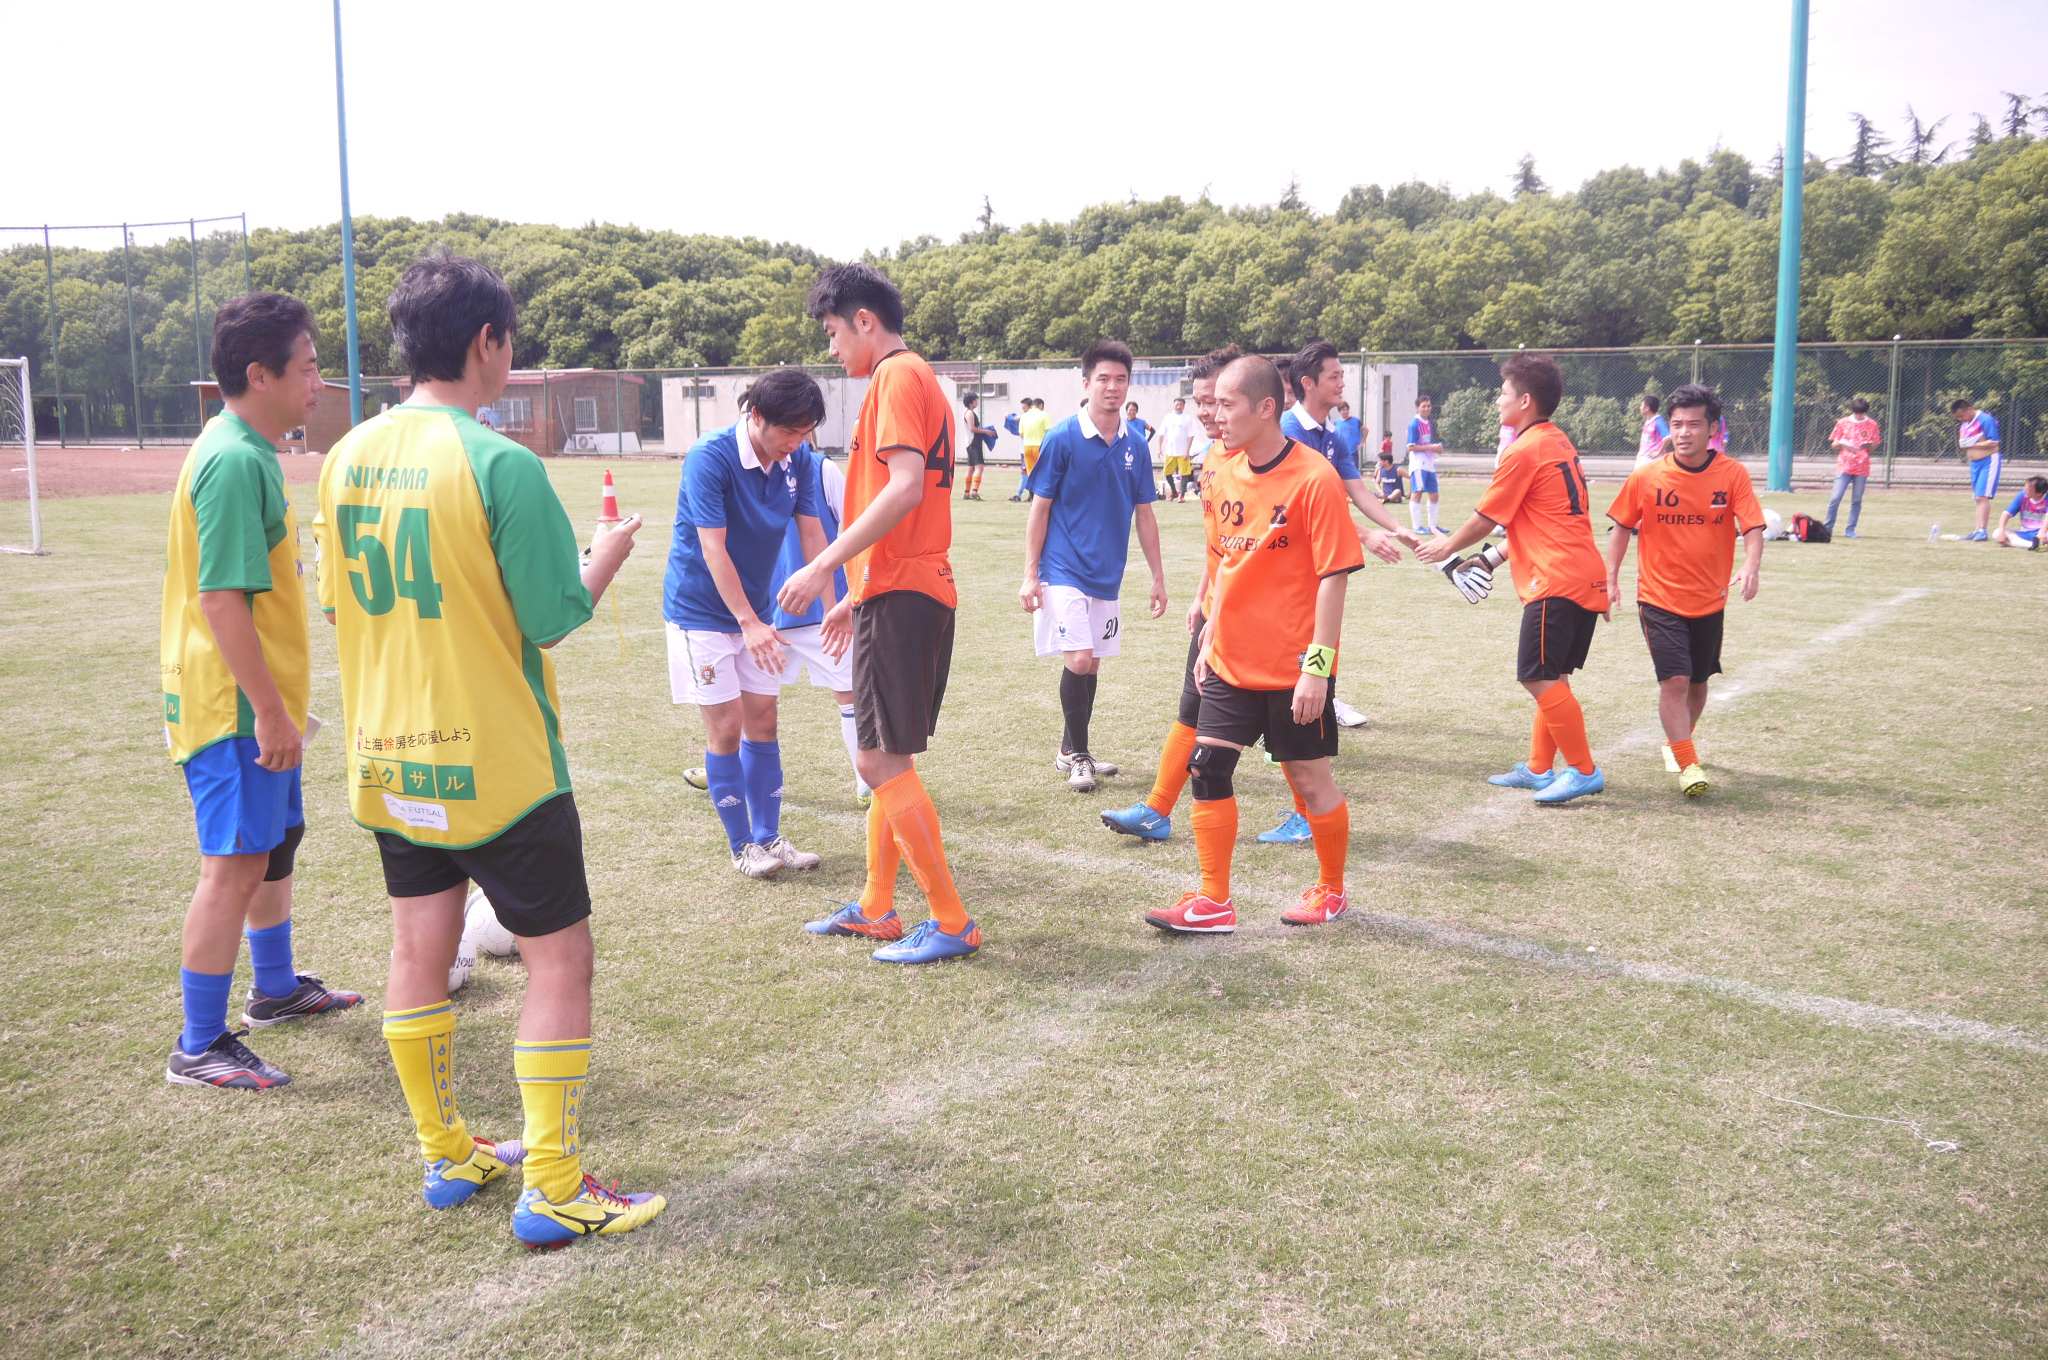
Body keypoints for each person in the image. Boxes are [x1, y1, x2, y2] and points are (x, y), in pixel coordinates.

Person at [317, 252, 662, 1247]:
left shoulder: (346, 455)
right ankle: (551, 1184)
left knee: (416, 951)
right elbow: (552, 616)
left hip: (390, 757)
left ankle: (447, 1152)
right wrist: (606, 556)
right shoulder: (500, 462)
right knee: (561, 961)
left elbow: (340, 606)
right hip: (497, 766)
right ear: (486, 342)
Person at [161, 292, 362, 1092]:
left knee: (274, 848)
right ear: (259, 374)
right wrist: (269, 712)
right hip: (234, 707)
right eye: (308, 368)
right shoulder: (235, 459)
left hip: (258, 700)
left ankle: (274, 989)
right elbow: (221, 600)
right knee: (235, 863)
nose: (318, 384)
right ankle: (199, 1043)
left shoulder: (245, 449)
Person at [778, 264, 979, 964]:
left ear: (865, 321)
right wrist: (852, 595)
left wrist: (823, 566)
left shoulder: (896, 375)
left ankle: (951, 920)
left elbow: (903, 490)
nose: (832, 349)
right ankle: (875, 905)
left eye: (833, 333)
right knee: (884, 755)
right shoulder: (914, 377)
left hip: (904, 591)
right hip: (896, 588)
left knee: (877, 758)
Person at [1143, 355, 1364, 932]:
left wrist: (1318, 669)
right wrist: (1211, 628)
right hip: (1229, 658)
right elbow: (1225, 559)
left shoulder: (1315, 478)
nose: (1214, 415)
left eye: (1226, 403)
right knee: (1207, 766)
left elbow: (1334, 577)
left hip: (1292, 666)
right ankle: (1214, 901)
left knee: (1310, 780)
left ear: (1266, 408)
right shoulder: (1220, 471)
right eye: (1212, 403)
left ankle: (1331, 890)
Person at [1415, 354, 1609, 805]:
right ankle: (1540, 768)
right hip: (1580, 574)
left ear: (1524, 401)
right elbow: (1540, 519)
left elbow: (1486, 517)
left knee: (1536, 676)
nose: (1496, 399)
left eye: (1502, 392)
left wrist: (1446, 547)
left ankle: (1583, 770)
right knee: (1553, 676)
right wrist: (1491, 560)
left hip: (1556, 580)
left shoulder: (1523, 450)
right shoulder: (1556, 441)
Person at [663, 368, 832, 881]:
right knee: (727, 727)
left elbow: (813, 536)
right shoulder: (710, 457)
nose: (797, 443)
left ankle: (769, 836)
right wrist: (747, 622)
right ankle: (742, 847)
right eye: (790, 431)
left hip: (755, 613)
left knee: (765, 720)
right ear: (756, 416)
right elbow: (712, 548)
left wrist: (832, 605)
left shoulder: (798, 459)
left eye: (806, 433)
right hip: (702, 613)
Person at [1270, 338, 1416, 835]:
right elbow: (1305, 511)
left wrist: (1396, 528)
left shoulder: (1331, 433)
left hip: (1320, 567)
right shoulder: (1288, 432)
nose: (1342, 382)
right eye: (1334, 375)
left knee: (1312, 658)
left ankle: (1305, 801)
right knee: (1292, 671)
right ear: (1307, 384)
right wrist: (1368, 536)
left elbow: (1353, 490)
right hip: (1288, 569)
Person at [1102, 345, 1241, 843]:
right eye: (1201, 401)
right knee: (1194, 707)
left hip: (1255, 617)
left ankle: (1309, 813)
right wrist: (1202, 599)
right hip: (1218, 608)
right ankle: (1156, 810)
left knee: (1282, 729)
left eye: (1217, 401)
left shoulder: (1265, 461)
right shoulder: (1214, 458)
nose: (1207, 411)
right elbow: (1220, 546)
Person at [1603, 384, 1765, 798]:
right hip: (1658, 597)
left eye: (1693, 424)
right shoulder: (1647, 476)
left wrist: (1751, 565)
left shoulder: (1732, 474)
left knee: (1698, 683)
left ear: (1712, 429)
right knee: (1674, 680)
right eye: (1677, 425)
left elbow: (1751, 526)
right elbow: (1621, 526)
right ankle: (1688, 763)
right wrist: (1611, 578)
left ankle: (1677, 744)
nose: (1684, 432)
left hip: (1710, 599)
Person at [1021, 340, 1168, 792]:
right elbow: (1040, 507)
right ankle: (1080, 756)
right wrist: (1030, 573)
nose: (1112, 387)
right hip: (1062, 569)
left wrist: (1158, 576)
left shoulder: (1135, 444)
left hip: (1108, 574)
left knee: (1093, 665)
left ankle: (1069, 748)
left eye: (1121, 379)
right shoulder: (1062, 437)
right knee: (1080, 658)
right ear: (1086, 383)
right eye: (1103, 378)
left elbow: (1145, 513)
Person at [1825, 397, 1880, 538]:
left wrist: (1869, 445)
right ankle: (1827, 528)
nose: (1859, 416)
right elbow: (1834, 444)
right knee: (1835, 498)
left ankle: (1850, 530)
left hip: (1862, 467)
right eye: (1857, 413)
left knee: (1856, 500)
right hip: (1844, 466)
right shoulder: (1842, 423)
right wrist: (1842, 443)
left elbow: (1874, 445)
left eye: (1861, 413)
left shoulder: (1872, 424)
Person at [1952, 398, 2003, 541]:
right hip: (1974, 464)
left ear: (1969, 409)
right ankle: (1977, 530)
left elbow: (1994, 442)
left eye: (1961, 416)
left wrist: (1973, 443)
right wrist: (1972, 443)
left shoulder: (1985, 420)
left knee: (1982, 496)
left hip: (1988, 461)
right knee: (1977, 498)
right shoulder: (1965, 424)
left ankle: (1982, 531)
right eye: (1958, 418)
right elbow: (1963, 444)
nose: (1961, 419)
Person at [1404, 395, 1447, 535]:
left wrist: (1436, 449)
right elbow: (1411, 447)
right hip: (1418, 464)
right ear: (1418, 408)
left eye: (1429, 406)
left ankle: (1433, 526)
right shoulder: (1414, 424)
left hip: (1429, 464)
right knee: (1417, 492)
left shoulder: (1429, 423)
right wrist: (1431, 447)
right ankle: (1417, 526)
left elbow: (1428, 443)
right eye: (1424, 406)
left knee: (1434, 494)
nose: (1427, 408)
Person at [1011, 397, 1051, 503]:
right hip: (1040, 446)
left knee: (1030, 472)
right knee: (1042, 471)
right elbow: (1049, 432)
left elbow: (1021, 434)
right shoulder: (1044, 415)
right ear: (1041, 405)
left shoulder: (1024, 416)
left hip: (1027, 447)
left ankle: (1032, 496)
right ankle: (1040, 496)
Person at [1159, 395, 1199, 501]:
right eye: (1177, 404)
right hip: (1170, 451)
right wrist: (1159, 448)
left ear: (1184, 406)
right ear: (1173, 405)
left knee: (1184, 474)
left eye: (1181, 404)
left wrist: (1187, 451)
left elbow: (1191, 435)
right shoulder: (1168, 417)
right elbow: (1161, 433)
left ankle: (1182, 495)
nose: (1178, 406)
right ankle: (1174, 492)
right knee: (1167, 473)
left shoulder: (1188, 418)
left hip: (1183, 451)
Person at [1992, 475, 2048, 549]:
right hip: (2025, 532)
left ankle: (2032, 544)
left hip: (2044, 533)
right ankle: (2032, 545)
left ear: (2039, 493)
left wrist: (2042, 532)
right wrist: (2001, 531)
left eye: (2028, 489)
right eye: (2025, 487)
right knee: (1996, 533)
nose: (2025, 490)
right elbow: (2006, 514)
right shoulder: (2022, 496)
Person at [959, 391, 994, 501]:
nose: (977, 402)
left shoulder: (968, 412)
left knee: (971, 468)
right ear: (971, 402)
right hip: (973, 442)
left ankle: (966, 493)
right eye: (975, 400)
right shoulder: (969, 413)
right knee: (980, 467)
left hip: (970, 443)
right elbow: (972, 428)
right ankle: (974, 491)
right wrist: (986, 431)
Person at [1635, 394, 1670, 469]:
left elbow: (1668, 438)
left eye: (1641, 405)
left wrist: (1658, 452)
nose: (1640, 408)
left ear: (1647, 408)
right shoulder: (1648, 421)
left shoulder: (1658, 421)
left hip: (1651, 460)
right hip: (1644, 457)